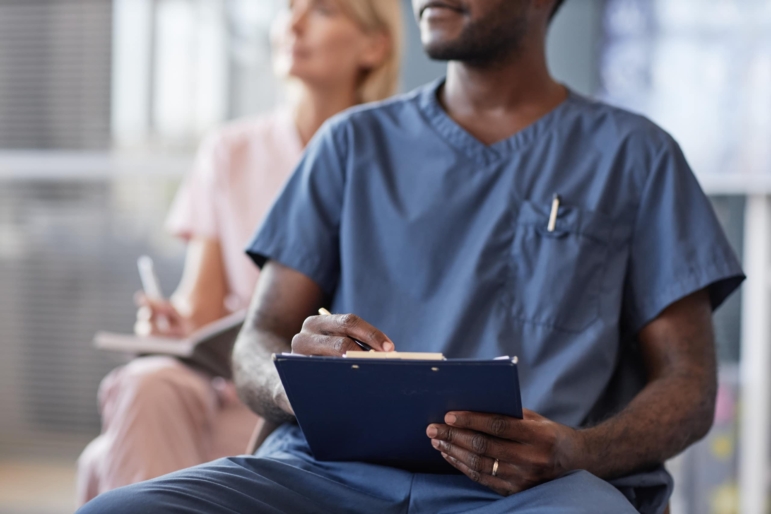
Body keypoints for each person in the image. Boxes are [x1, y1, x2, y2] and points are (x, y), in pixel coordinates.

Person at [78, 0, 745, 512]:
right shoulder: (350, 145)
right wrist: (302, 378)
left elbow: (687, 387)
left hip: (530, 491)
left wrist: (576, 450)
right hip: (323, 475)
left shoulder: (635, 157)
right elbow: (257, 341)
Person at [76, 0, 402, 504]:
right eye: (289, 8)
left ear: (374, 45)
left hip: (341, 400)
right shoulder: (231, 151)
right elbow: (201, 309)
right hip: (236, 385)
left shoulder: (400, 156)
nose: (292, 24)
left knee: (111, 453)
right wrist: (173, 326)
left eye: (323, 11)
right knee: (147, 382)